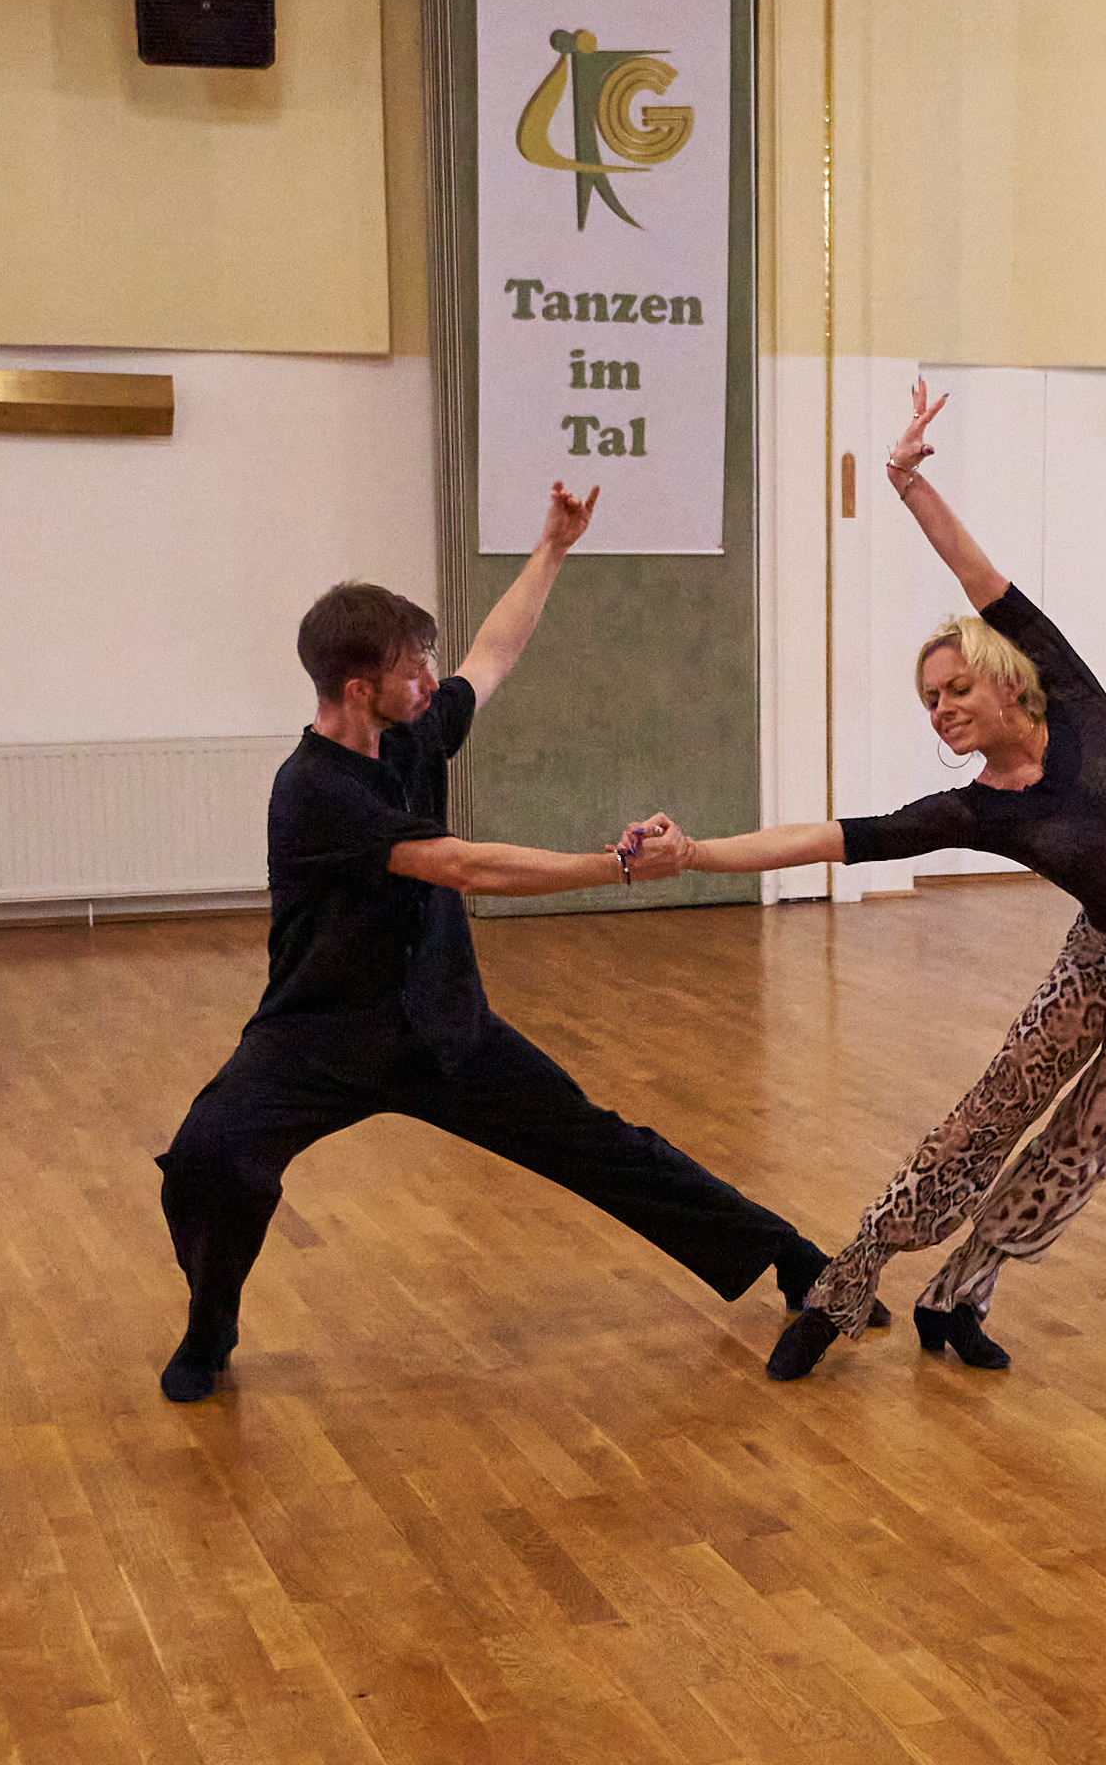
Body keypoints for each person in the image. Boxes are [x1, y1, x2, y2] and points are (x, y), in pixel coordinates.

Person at [156, 482, 851, 1402]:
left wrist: (553, 546)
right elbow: (468, 868)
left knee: (599, 1144)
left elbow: (492, 656)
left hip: (442, 1026)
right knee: (208, 1157)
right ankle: (209, 1328)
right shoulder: (314, 789)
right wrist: (617, 868)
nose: (429, 681)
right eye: (412, 669)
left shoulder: (408, 736)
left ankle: (794, 1260)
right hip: (319, 1034)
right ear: (359, 689)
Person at [634, 384, 1106, 1382]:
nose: (942, 708)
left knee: (1084, 1144)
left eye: (956, 687)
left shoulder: (1074, 697)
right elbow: (832, 838)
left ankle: (959, 1295)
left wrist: (905, 481)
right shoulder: (974, 809)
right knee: (982, 1121)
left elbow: (976, 573)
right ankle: (841, 1290)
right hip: (1104, 963)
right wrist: (696, 852)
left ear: (1008, 679)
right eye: (928, 700)